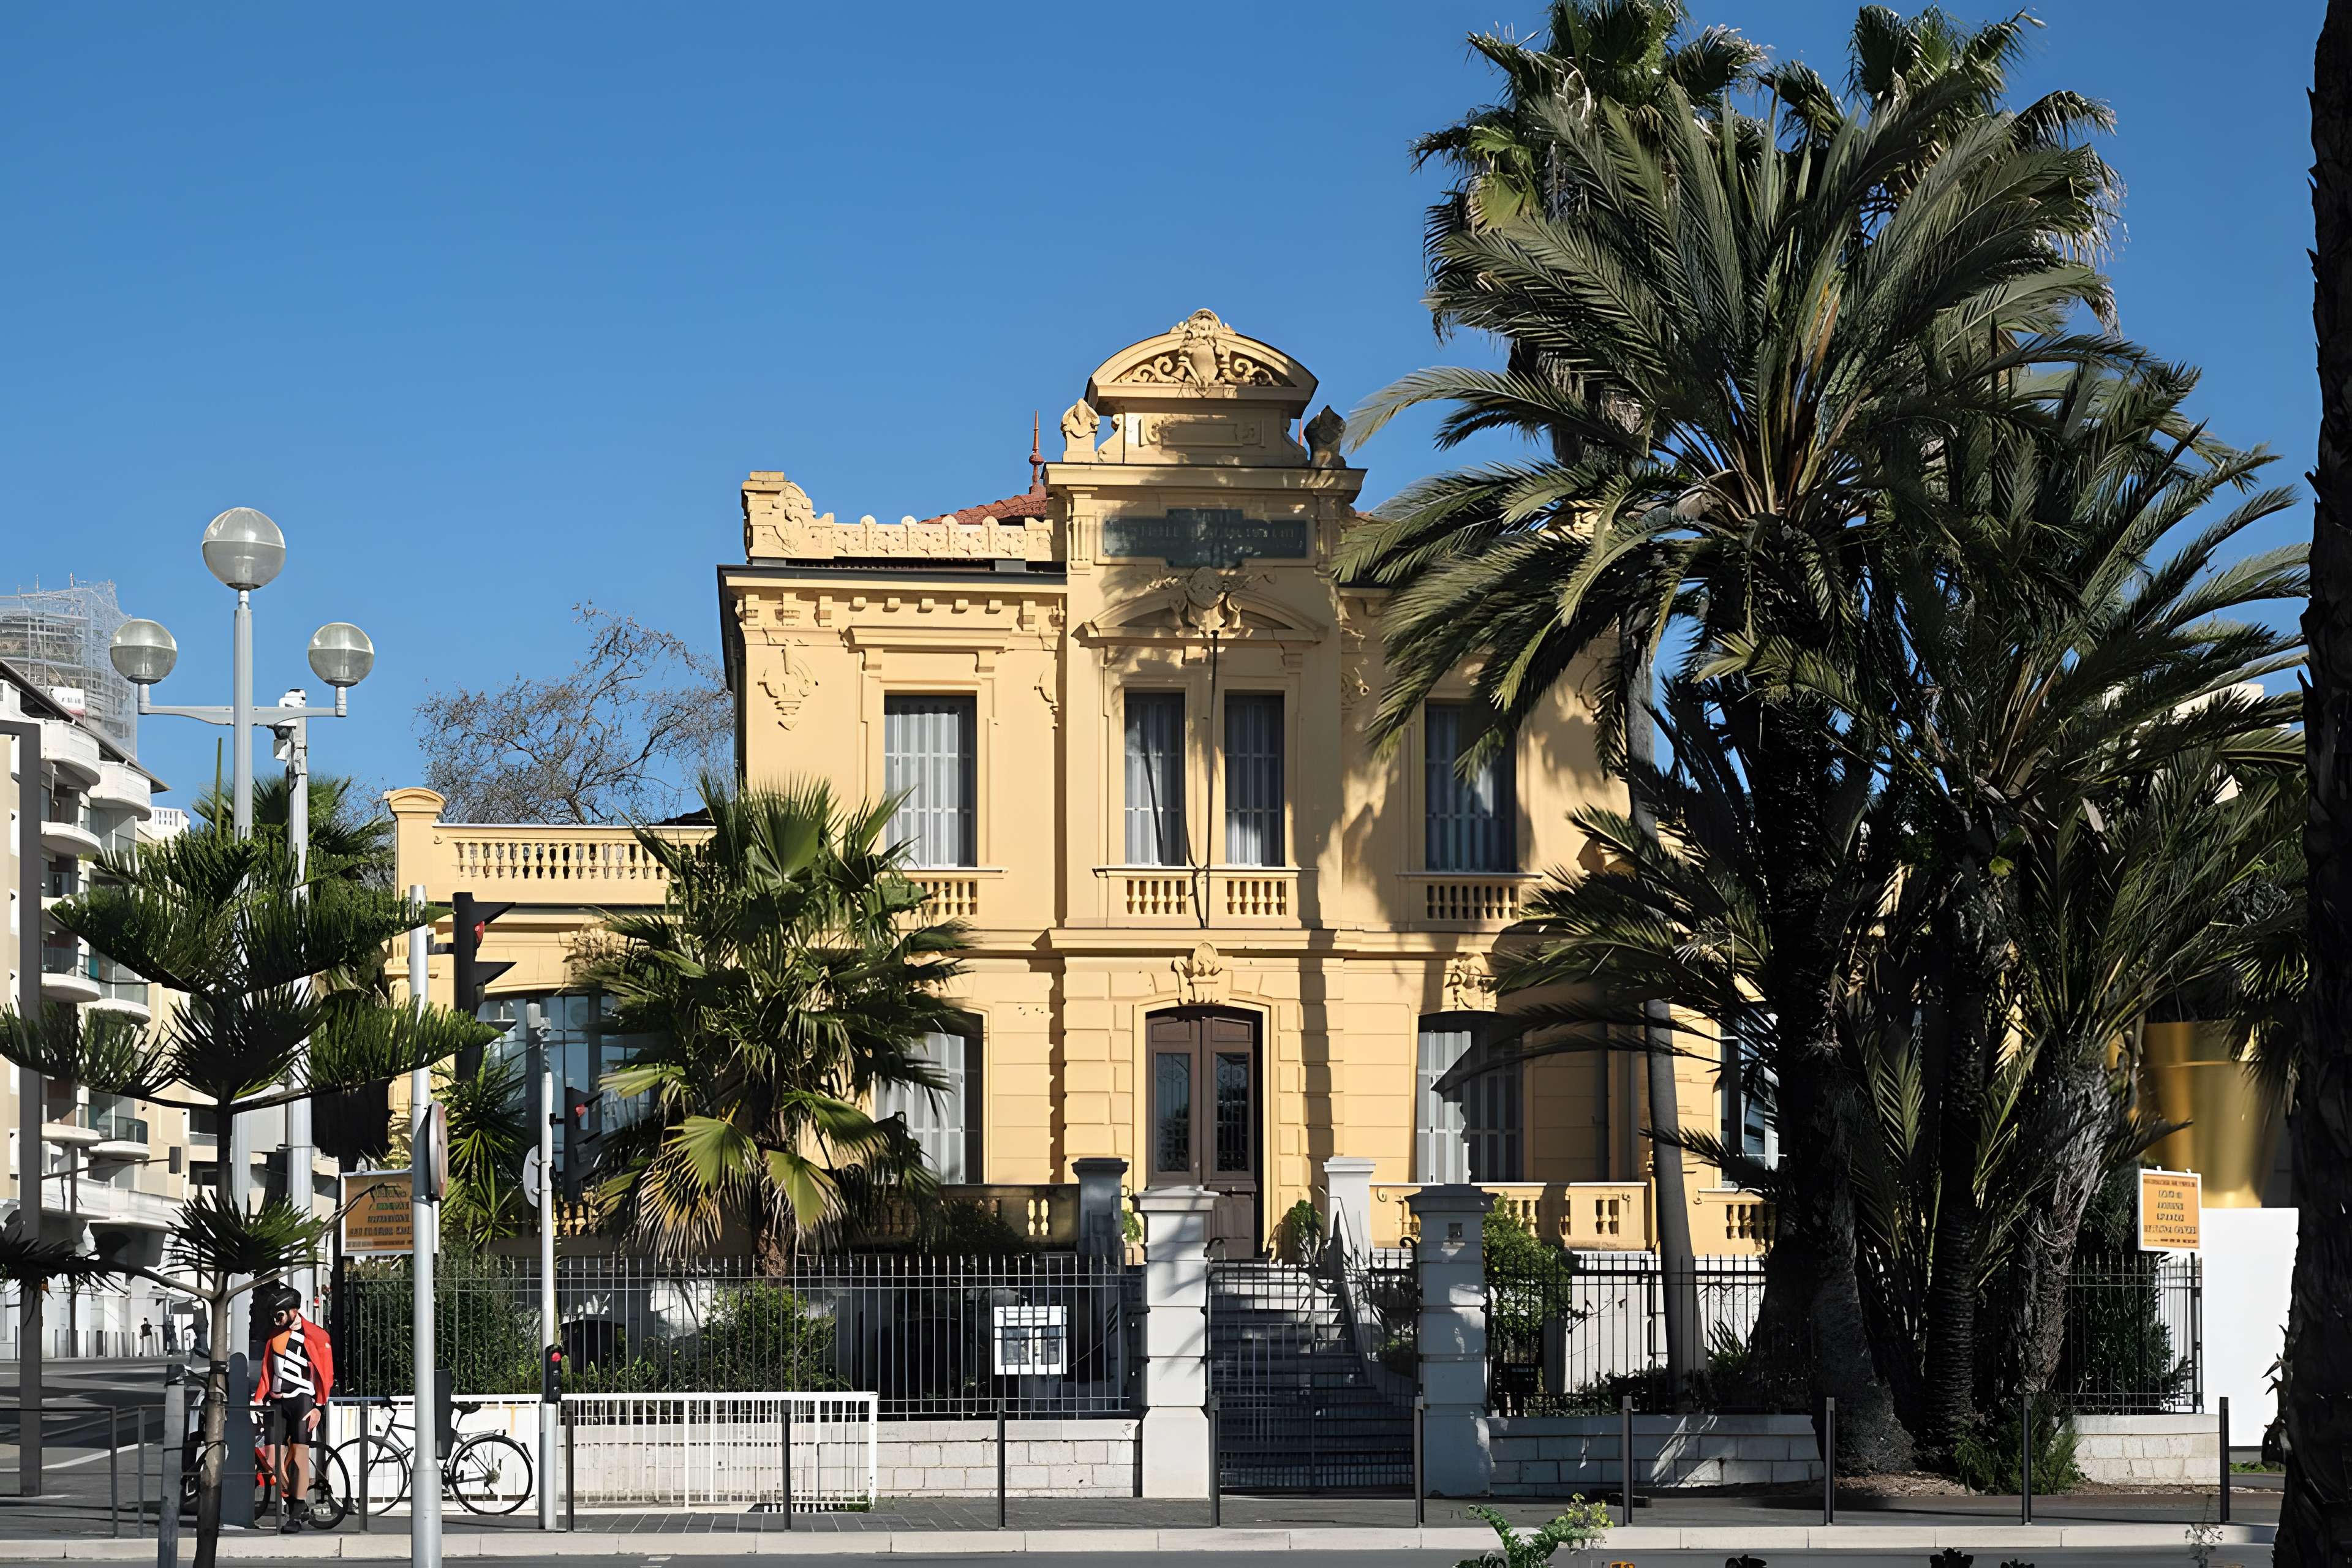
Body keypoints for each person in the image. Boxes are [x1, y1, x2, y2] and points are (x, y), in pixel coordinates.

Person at [252, 1284, 334, 1531]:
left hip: (302, 1401)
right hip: (276, 1401)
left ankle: (296, 1513)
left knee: (299, 1455)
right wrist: (258, 1399)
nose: (275, 1320)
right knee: (271, 1457)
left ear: (293, 1311)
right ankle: (294, 1500)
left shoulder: (317, 1336)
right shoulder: (274, 1336)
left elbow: (326, 1374)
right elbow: (267, 1370)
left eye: (279, 1314)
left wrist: (320, 1405)